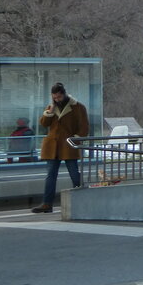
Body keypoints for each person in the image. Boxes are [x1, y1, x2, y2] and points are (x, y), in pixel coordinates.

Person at [32, 82, 89, 213]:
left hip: (69, 144)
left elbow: (84, 127)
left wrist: (75, 140)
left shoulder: (78, 107)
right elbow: (44, 124)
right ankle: (47, 204)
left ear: (64, 94)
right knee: (50, 175)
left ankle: (81, 200)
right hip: (52, 146)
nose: (57, 100)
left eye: (59, 97)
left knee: (74, 173)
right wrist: (49, 113)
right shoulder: (51, 107)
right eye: (54, 97)